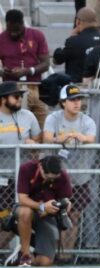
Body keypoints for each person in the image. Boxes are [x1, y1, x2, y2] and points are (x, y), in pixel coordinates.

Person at [42, 84, 96, 263]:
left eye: (79, 99)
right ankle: (50, 255)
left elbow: (92, 138)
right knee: (50, 214)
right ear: (63, 102)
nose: (76, 103)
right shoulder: (53, 118)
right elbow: (47, 138)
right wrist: (60, 138)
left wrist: (83, 138)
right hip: (55, 178)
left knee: (74, 216)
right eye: (72, 100)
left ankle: (66, 256)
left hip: (79, 178)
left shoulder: (86, 120)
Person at [0, 81, 41, 255]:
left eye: (21, 96)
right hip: (3, 177)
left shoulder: (28, 116)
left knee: (23, 216)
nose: (19, 100)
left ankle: (25, 254)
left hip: (24, 179)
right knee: (4, 218)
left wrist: (34, 144)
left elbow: (39, 144)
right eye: (16, 97)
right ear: (3, 99)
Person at [13, 155, 72, 266]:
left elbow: (67, 201)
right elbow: (22, 199)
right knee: (25, 212)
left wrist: (63, 206)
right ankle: (25, 255)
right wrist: (43, 206)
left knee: (45, 262)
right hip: (28, 209)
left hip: (48, 216)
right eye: (47, 177)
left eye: (53, 179)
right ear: (40, 166)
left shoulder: (63, 176)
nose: (49, 180)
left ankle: (23, 257)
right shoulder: (26, 168)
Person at [0, 9, 50, 129]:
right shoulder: (1, 38)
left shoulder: (37, 35)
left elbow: (46, 63)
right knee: (19, 127)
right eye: (10, 30)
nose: (13, 34)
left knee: (42, 125)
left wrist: (29, 70)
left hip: (35, 86)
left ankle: (38, 147)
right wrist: (2, 71)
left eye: (16, 31)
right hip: (11, 89)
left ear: (23, 24)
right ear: (6, 24)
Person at [53, 7, 100, 83]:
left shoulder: (73, 41)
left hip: (77, 87)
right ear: (96, 21)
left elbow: (57, 60)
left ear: (78, 22)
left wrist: (70, 38)